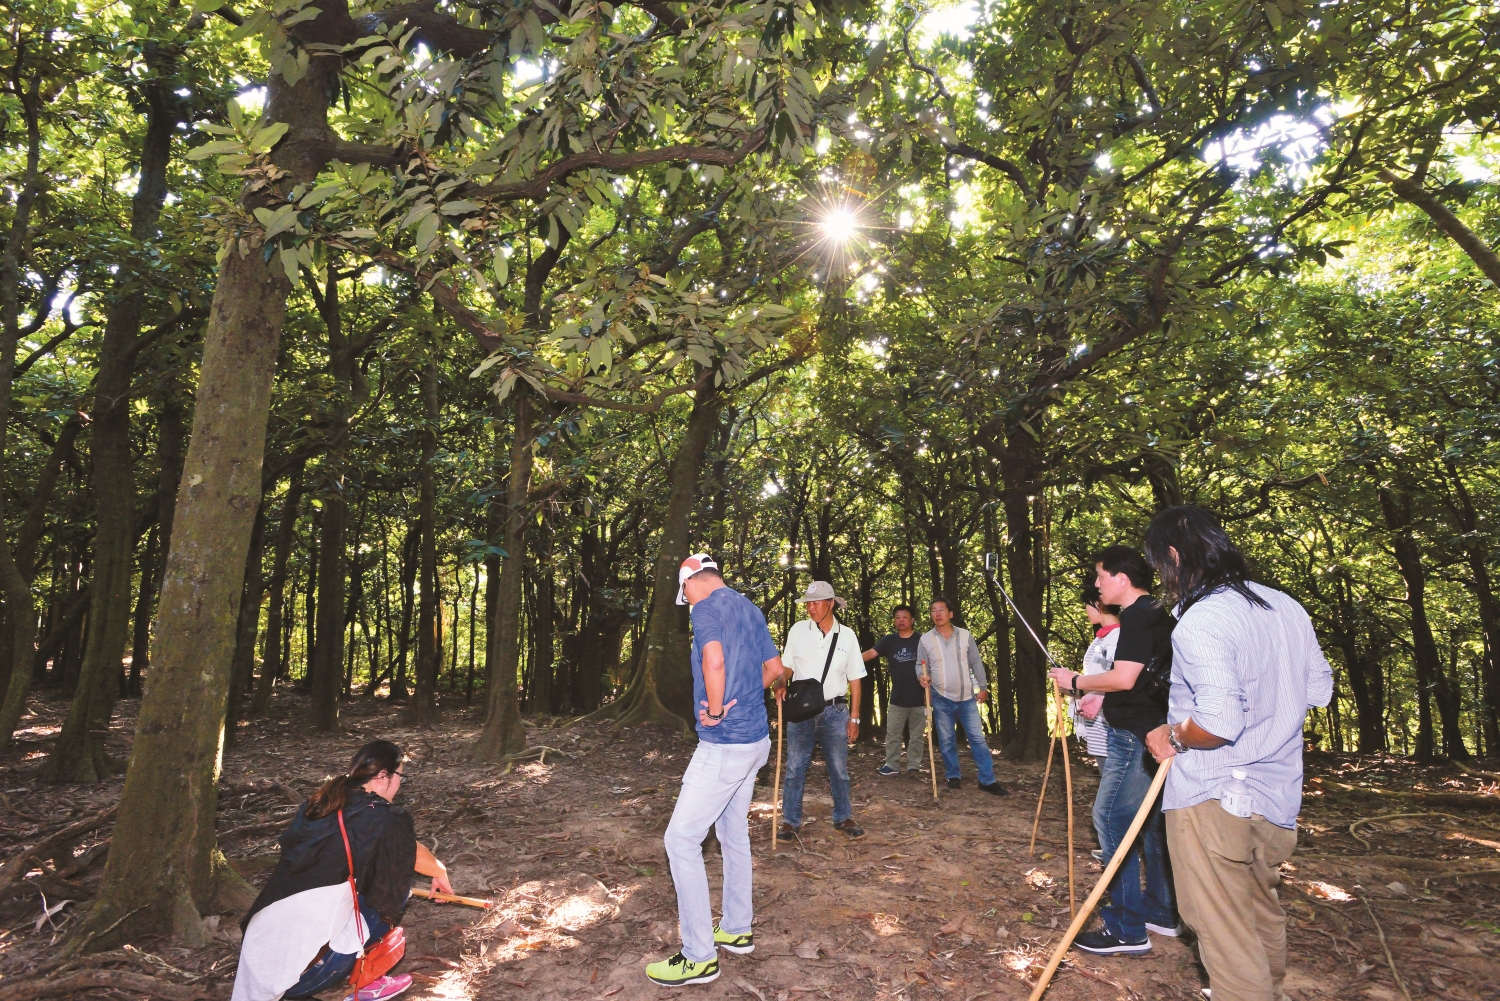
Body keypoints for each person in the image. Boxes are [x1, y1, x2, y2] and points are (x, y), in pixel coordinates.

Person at [1142, 506, 1332, 1001]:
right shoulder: (1285, 607)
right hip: (1277, 794)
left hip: (1213, 795)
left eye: (1159, 566)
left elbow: (1219, 723)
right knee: (1257, 905)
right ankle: (1268, 990)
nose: (1162, 578)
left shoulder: (1201, 621)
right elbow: (1319, 688)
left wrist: (1173, 734)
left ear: (1174, 556)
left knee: (1222, 927)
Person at [649, 554, 788, 987]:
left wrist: (713, 707)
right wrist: (744, 696)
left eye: (684, 591)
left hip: (725, 744)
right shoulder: (750, 607)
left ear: (694, 581)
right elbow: (777, 670)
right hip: (754, 743)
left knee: (681, 839)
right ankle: (736, 928)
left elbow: (713, 661)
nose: (686, 601)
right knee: (732, 834)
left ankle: (698, 955)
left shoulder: (707, 609)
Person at [232, 740, 454, 1001]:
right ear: (383, 777)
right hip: (302, 974)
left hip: (258, 954)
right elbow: (414, 856)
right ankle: (366, 980)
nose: (400, 783)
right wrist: (441, 873)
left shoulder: (319, 803)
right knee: (395, 888)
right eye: (400, 776)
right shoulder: (381, 816)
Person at [1049, 546, 1179, 955]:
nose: (1097, 584)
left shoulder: (1139, 615)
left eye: (1101, 575)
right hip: (1153, 730)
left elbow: (1124, 678)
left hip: (1134, 733)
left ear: (1122, 578)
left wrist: (1076, 681)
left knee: (1110, 818)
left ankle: (1126, 927)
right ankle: (1161, 910)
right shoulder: (1160, 611)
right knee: (1152, 823)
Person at [778, 580, 868, 839]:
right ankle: (790, 820)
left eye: (816, 603)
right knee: (795, 766)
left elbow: (855, 680)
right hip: (801, 711)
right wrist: (780, 684)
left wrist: (855, 718)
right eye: (808, 603)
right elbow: (786, 667)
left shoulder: (847, 635)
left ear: (831, 604)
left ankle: (844, 816)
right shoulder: (798, 630)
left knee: (838, 768)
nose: (811, 608)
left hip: (834, 711)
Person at [916, 597, 1008, 796]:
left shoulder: (965, 636)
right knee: (947, 740)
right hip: (940, 697)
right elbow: (920, 665)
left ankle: (987, 780)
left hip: (967, 698)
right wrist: (921, 677)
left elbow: (976, 662)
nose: (938, 614)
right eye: (933, 610)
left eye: (942, 609)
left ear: (950, 613)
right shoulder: (925, 639)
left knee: (978, 739)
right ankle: (953, 776)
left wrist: (982, 687)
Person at [864, 605, 926, 777]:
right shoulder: (889, 640)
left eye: (904, 617)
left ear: (912, 620)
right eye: (897, 617)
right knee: (892, 733)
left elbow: (933, 663)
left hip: (920, 697)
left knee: (917, 736)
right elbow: (871, 653)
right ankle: (892, 764)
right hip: (898, 698)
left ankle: (913, 766)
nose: (901, 620)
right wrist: (848, 662)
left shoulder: (922, 640)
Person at [1073, 580, 1119, 765]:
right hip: (1097, 727)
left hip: (1107, 725)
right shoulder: (1102, 637)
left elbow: (1113, 678)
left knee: (1113, 784)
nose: (1085, 610)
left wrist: (1077, 683)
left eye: (1087, 605)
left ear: (1098, 604)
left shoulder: (1117, 637)